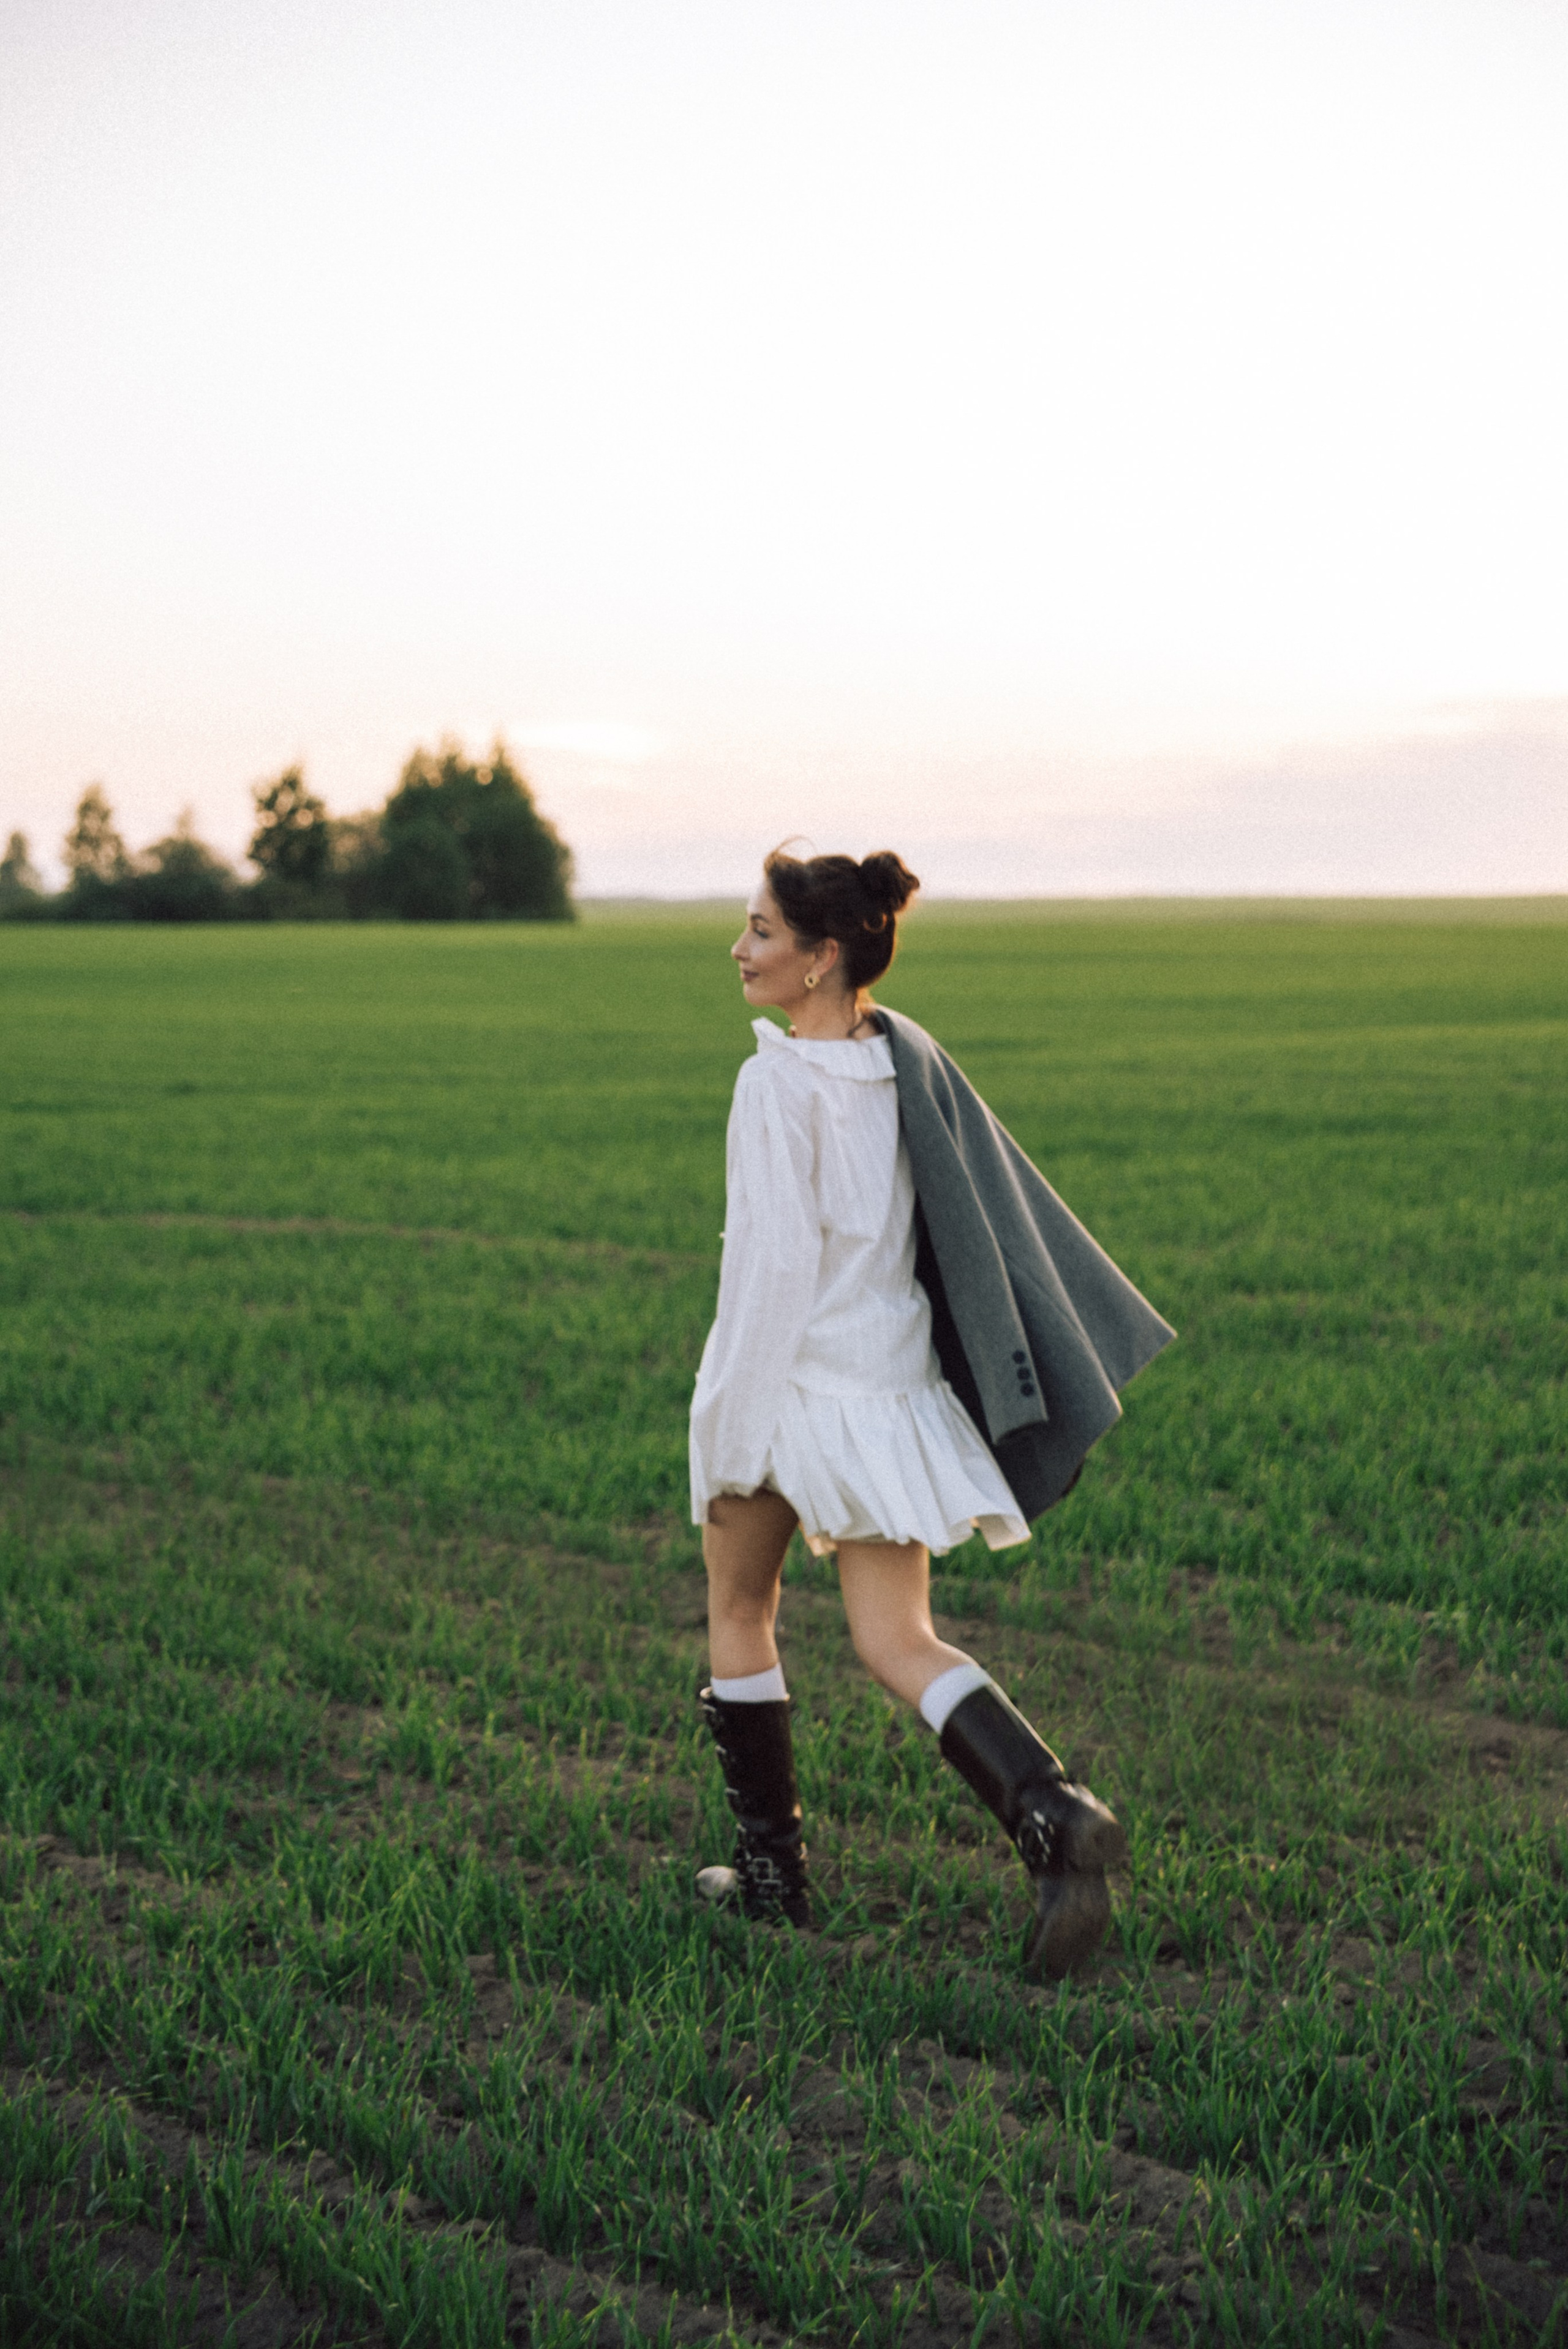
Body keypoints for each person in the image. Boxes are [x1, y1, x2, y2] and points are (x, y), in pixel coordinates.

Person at [688, 848, 1174, 1978]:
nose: (740, 949)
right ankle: (1050, 1811)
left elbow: (767, 1281)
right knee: (898, 1638)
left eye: (761, 932)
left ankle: (772, 1885)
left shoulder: (775, 1083)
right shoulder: (897, 1059)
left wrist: (726, 1433)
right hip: (891, 1392)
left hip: (797, 1392)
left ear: (820, 959)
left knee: (738, 1608)